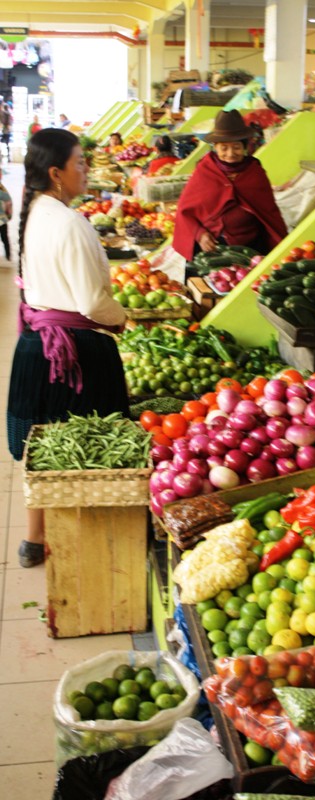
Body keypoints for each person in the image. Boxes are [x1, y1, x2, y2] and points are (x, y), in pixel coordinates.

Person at [6, 128, 129, 568]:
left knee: (39, 443)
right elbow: (92, 302)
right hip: (73, 352)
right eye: (80, 162)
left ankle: (34, 539)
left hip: (35, 344)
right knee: (87, 446)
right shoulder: (70, 222)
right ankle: (85, 543)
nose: (87, 169)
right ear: (56, 173)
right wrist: (121, 318)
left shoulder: (33, 211)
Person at [172, 109, 287, 259]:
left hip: (251, 248)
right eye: (224, 148)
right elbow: (185, 211)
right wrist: (200, 235)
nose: (231, 153)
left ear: (245, 147)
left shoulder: (255, 173)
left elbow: (270, 213)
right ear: (215, 147)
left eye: (237, 147)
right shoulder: (205, 171)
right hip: (213, 248)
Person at [0, 165, 12, 262]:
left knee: (5, 238)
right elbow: (8, 200)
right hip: (3, 219)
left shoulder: (2, 188)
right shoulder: (2, 189)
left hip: (2, 219)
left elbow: (8, 201)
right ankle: (8, 256)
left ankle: (8, 255)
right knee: (5, 238)